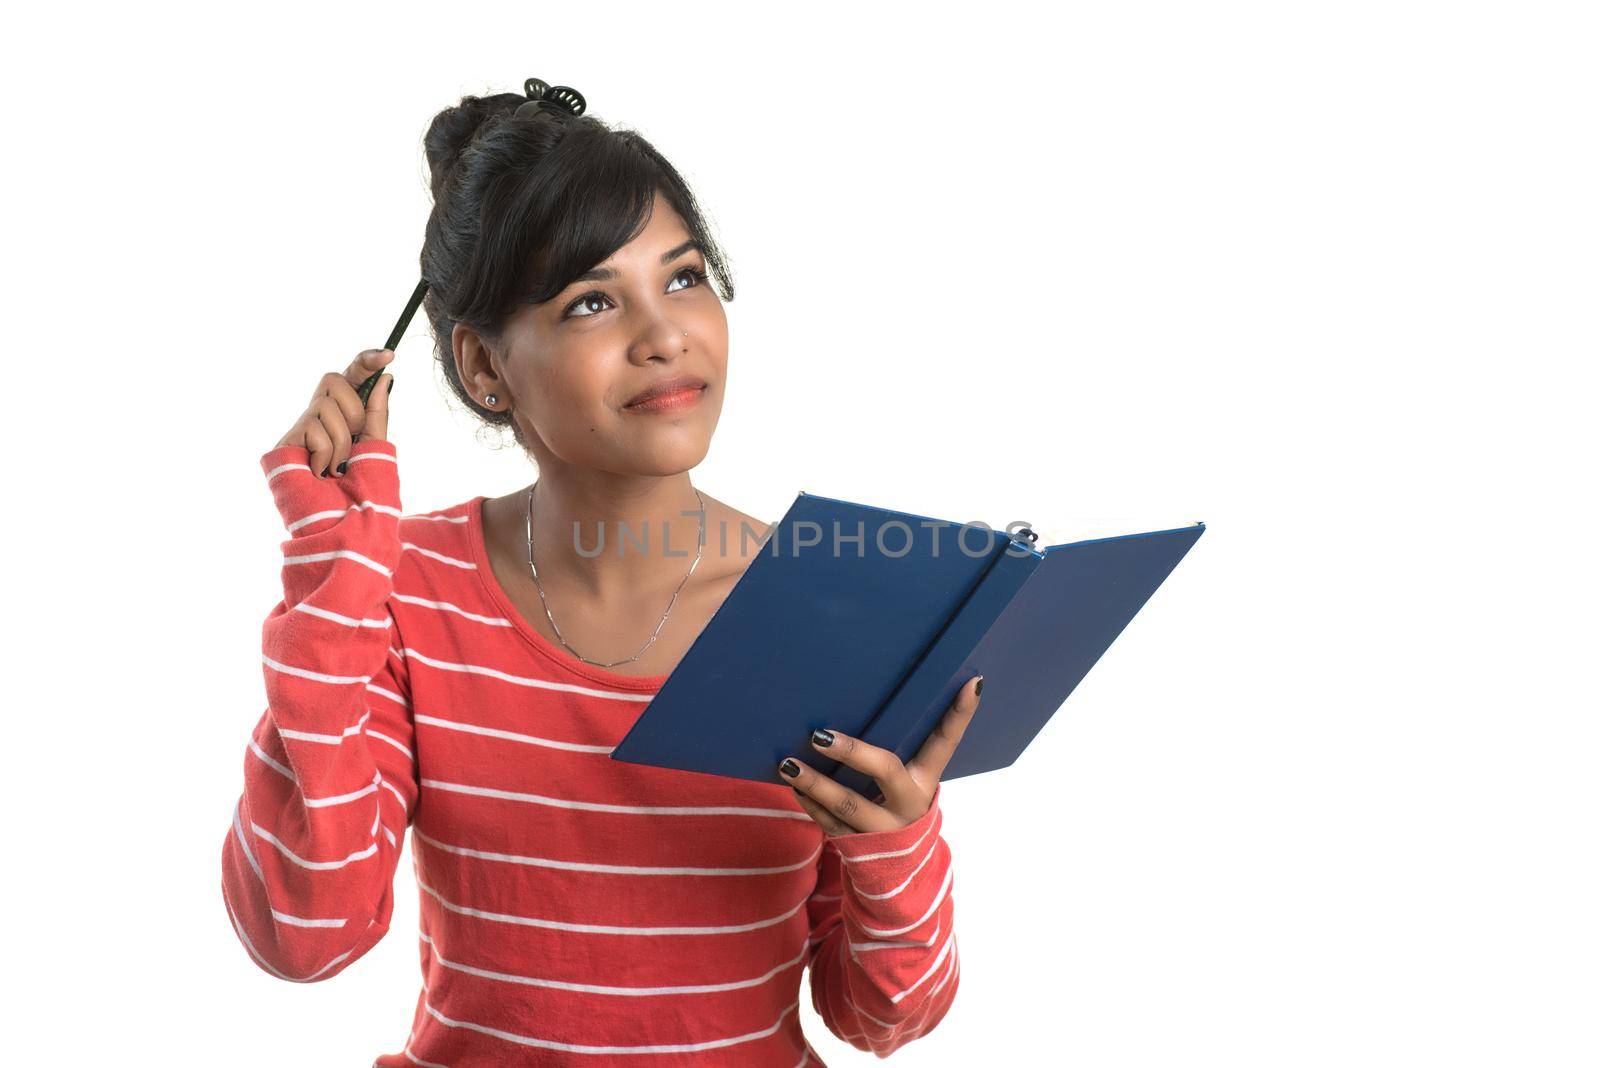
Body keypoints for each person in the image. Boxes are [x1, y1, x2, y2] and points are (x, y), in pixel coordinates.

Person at [220, 78, 980, 1066]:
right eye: (591, 301)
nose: (666, 334)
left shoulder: (824, 603)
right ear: (486, 370)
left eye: (683, 277)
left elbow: (886, 1019)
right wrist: (335, 573)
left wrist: (891, 842)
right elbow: (303, 936)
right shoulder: (401, 592)